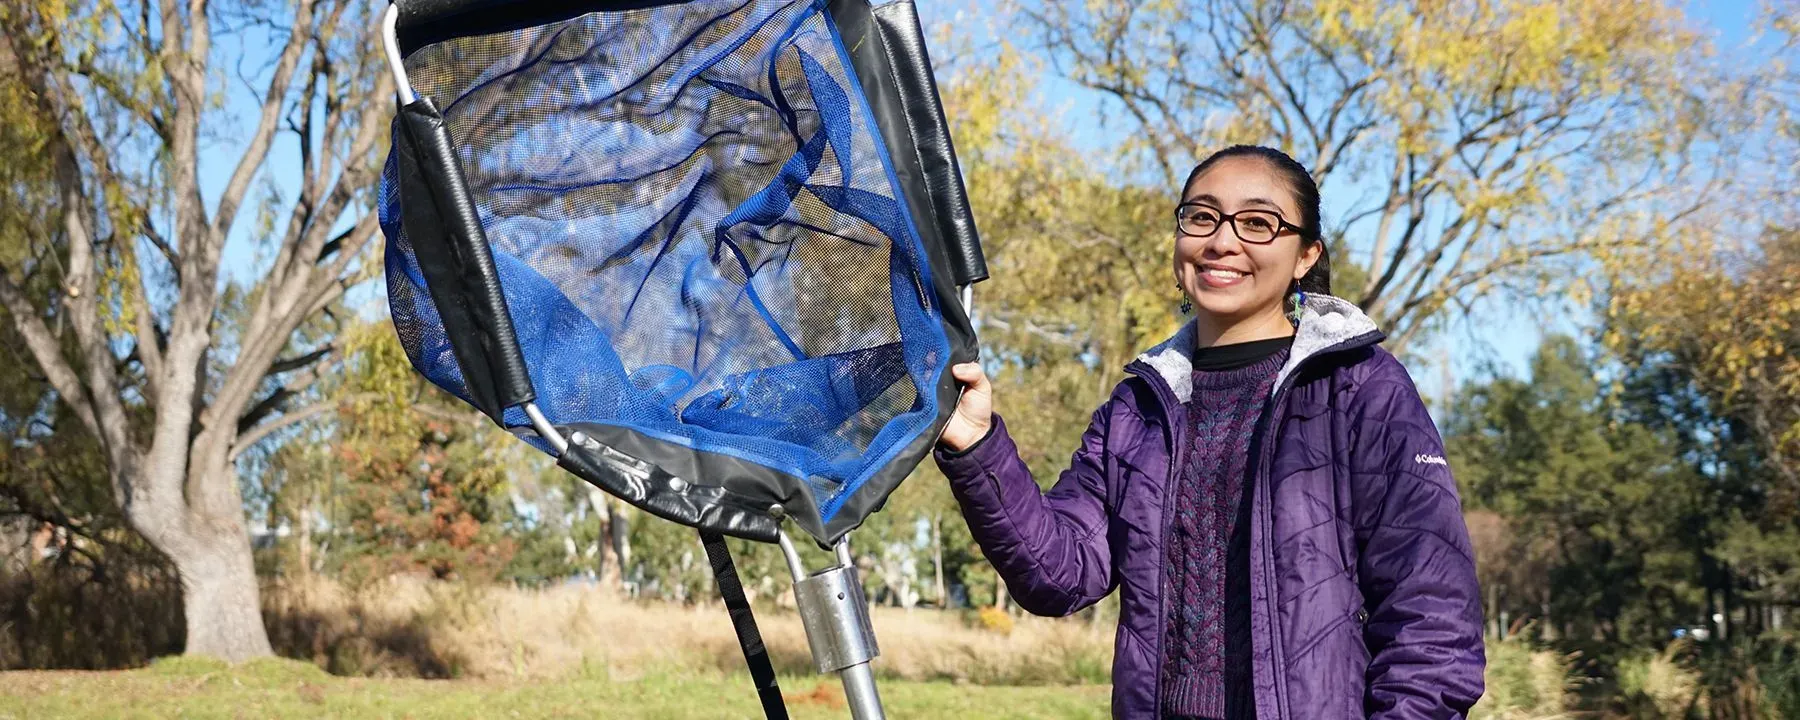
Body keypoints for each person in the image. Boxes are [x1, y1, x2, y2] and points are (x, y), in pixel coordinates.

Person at [934, 145, 1485, 719]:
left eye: (1258, 223)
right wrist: (977, 446)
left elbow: (1433, 622)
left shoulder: (1359, 389)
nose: (1222, 240)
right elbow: (1059, 575)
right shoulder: (1137, 411)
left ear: (1306, 255)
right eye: (1201, 216)